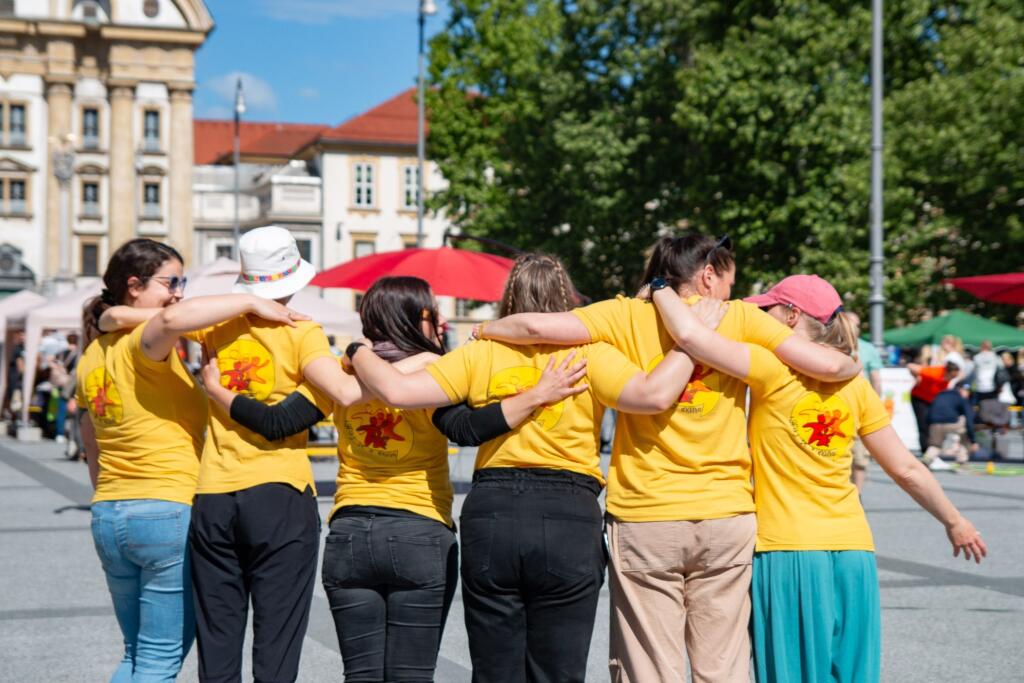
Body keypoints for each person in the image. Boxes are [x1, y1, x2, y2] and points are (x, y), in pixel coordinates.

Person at [474, 236, 860, 682]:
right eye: (729, 280)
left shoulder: (623, 313)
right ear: (708, 274)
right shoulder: (739, 318)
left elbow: (538, 329)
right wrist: (851, 367)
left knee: (648, 667)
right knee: (723, 665)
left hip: (645, 515)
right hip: (724, 513)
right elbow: (829, 366)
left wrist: (485, 330)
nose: (731, 293)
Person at [202, 274, 585, 682]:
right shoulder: (436, 374)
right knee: (411, 676)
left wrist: (217, 390)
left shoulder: (340, 372)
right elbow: (468, 429)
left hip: (349, 535)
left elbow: (277, 422)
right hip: (419, 531)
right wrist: (534, 396)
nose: (440, 321)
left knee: (362, 676)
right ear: (418, 317)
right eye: (434, 312)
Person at [349, 253, 707, 683]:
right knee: (559, 669)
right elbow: (653, 395)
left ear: (510, 298)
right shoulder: (591, 353)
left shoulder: (481, 351)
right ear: (566, 299)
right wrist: (694, 339)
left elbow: (400, 392)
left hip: (492, 514)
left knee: (495, 669)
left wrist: (356, 352)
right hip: (567, 515)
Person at [649, 275, 987, 683]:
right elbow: (906, 467)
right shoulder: (853, 383)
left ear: (791, 315)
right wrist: (955, 521)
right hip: (853, 552)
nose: (759, 317)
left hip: (787, 551)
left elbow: (691, 338)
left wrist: (659, 290)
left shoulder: (770, 368)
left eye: (768, 309)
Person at [100, 226, 366, 683]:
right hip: (280, 491)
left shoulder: (212, 322)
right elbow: (342, 389)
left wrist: (240, 314)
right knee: (276, 641)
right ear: (295, 279)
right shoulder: (305, 331)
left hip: (215, 492)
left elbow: (119, 318)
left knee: (218, 641)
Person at [78, 237, 304, 683]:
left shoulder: (90, 355)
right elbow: (173, 317)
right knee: (160, 660)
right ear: (135, 285)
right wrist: (251, 301)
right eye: (172, 281)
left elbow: (90, 439)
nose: (179, 291)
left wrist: (115, 314)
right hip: (165, 505)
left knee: (135, 655)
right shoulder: (146, 342)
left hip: (109, 511)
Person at [848, 313, 884, 491]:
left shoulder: (868, 348)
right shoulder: (830, 347)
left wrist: (875, 404)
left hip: (862, 409)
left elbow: (876, 379)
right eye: (851, 324)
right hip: (840, 409)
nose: (855, 328)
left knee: (860, 460)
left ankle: (858, 495)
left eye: (857, 325)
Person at [921, 384, 979, 469]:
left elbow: (928, 413)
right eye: (968, 393)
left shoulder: (939, 395)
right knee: (965, 435)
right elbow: (969, 420)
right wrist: (973, 441)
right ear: (962, 391)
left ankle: (927, 460)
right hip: (952, 424)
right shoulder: (961, 398)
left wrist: (928, 427)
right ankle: (962, 461)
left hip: (934, 424)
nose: (968, 395)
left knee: (935, 445)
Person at [909, 360, 959, 454]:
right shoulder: (934, 373)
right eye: (952, 376)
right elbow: (911, 366)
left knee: (932, 424)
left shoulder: (948, 378)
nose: (952, 379)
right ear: (947, 372)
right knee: (923, 423)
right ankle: (925, 450)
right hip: (919, 398)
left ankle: (932, 448)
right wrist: (917, 377)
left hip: (931, 400)